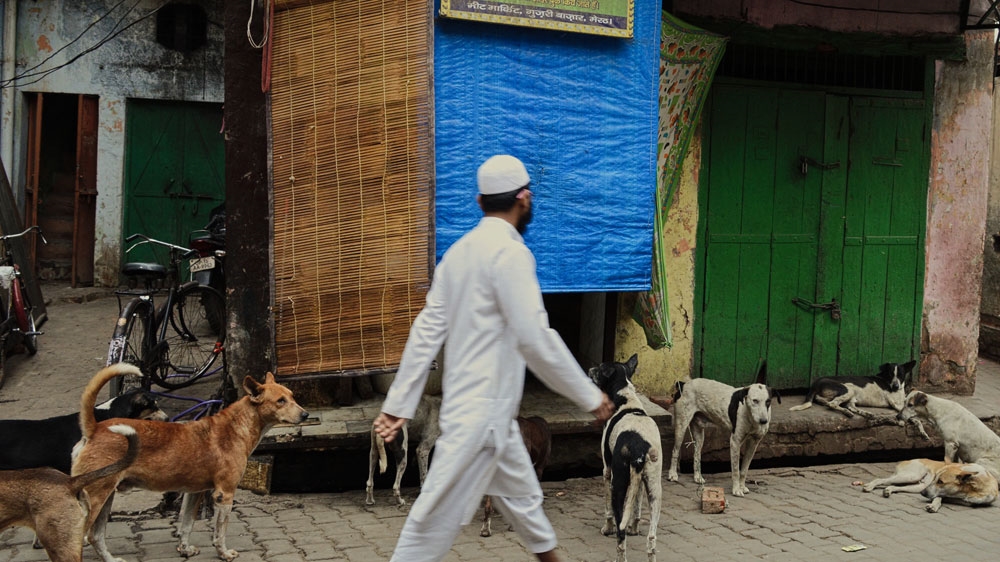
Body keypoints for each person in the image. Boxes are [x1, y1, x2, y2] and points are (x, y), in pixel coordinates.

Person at [374, 154, 615, 562]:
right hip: (479, 424)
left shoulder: (459, 254)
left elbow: (427, 329)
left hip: (493, 422)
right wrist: (590, 396)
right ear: (523, 198)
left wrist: (400, 402)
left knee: (526, 508)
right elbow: (535, 339)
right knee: (424, 529)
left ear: (480, 201)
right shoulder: (511, 255)